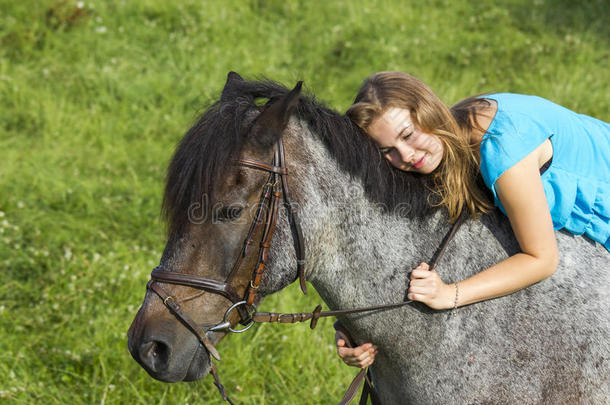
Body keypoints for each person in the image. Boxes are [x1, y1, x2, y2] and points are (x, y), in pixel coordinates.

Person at [336, 71, 610, 369]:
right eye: (387, 150)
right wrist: (350, 329)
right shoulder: (439, 146)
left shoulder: (501, 148)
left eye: (407, 135)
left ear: (428, 111)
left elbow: (542, 259)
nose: (406, 155)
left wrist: (450, 294)